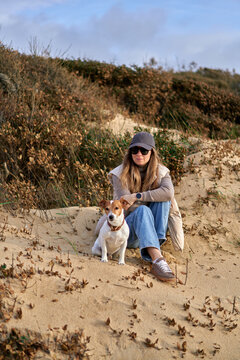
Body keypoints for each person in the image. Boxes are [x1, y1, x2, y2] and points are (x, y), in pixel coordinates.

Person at [95, 131, 184, 282]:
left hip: (152, 230)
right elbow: (126, 206)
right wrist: (149, 198)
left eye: (143, 150)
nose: (139, 154)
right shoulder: (120, 174)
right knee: (143, 209)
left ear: (152, 152)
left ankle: (153, 246)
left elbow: (168, 193)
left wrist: (138, 196)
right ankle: (157, 259)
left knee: (163, 200)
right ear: (130, 153)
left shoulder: (162, 172)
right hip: (126, 233)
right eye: (134, 150)